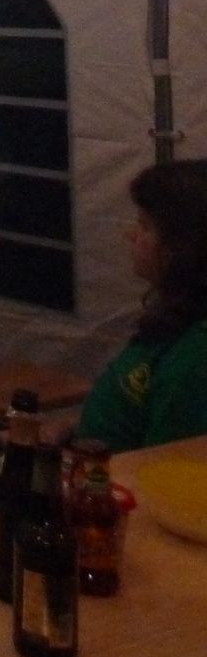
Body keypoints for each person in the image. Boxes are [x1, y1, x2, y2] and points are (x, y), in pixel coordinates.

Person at [68, 161, 207, 451]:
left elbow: (167, 464)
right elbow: (138, 409)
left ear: (184, 247)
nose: (130, 234)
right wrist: (71, 428)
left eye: (145, 226)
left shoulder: (197, 358)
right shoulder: (180, 314)